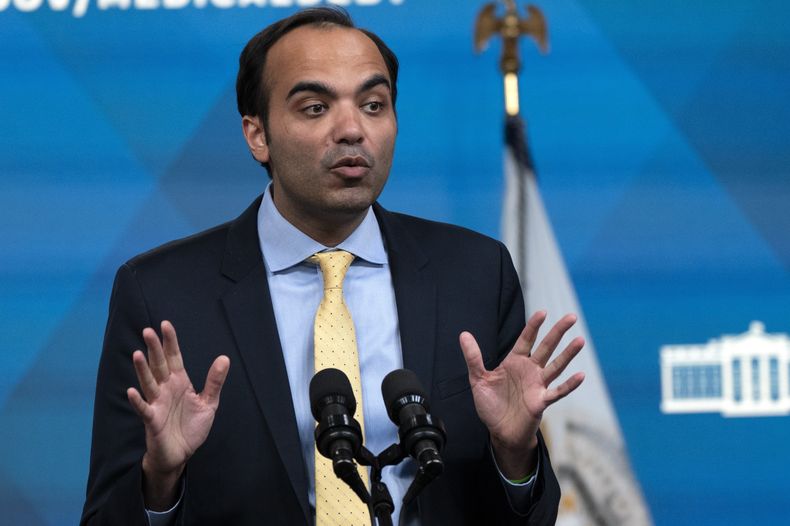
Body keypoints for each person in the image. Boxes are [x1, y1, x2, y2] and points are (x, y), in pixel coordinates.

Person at [81, 7, 585, 526]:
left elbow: (527, 514)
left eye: (373, 104)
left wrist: (515, 456)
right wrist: (160, 478)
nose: (351, 129)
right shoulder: (163, 295)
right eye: (315, 107)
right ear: (258, 135)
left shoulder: (476, 273)